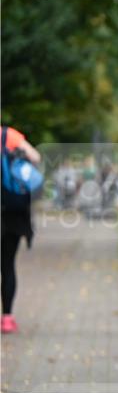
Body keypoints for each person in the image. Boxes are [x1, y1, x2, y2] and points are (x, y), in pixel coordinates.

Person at [1, 125, 41, 334]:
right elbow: (35, 157)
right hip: (12, 212)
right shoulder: (8, 135)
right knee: (7, 264)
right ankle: (7, 318)